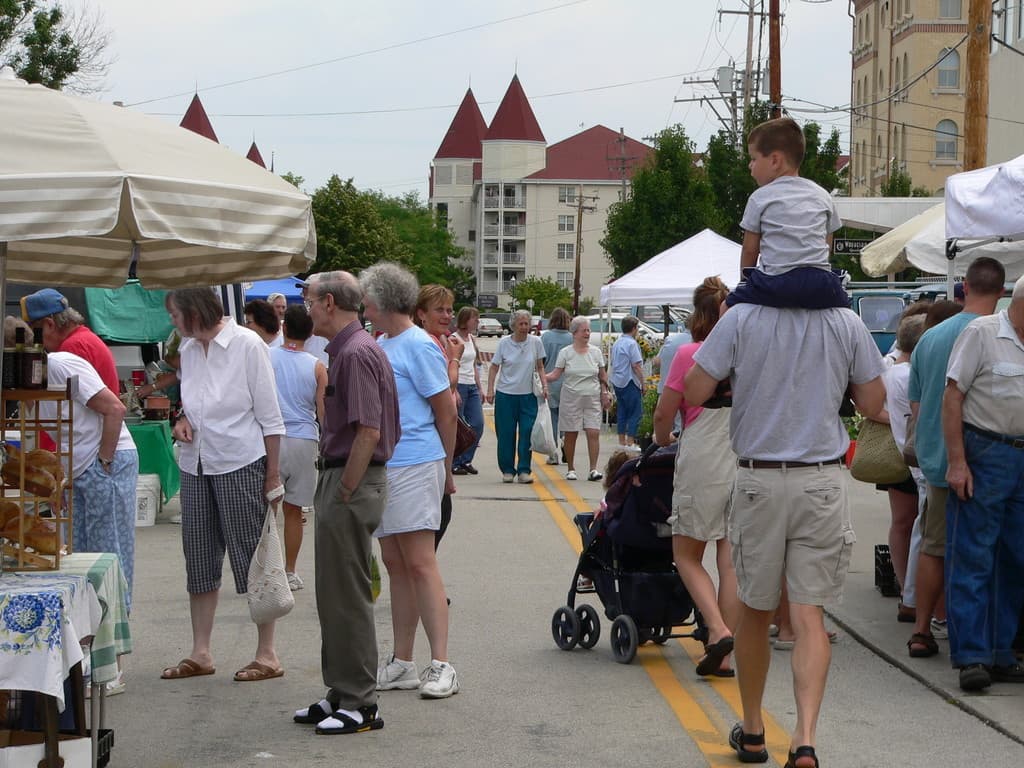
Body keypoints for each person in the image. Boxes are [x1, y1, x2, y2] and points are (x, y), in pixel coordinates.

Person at [683, 296, 885, 768]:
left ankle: (753, 731)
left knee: (756, 611)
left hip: (761, 478)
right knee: (809, 614)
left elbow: (694, 389)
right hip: (821, 478)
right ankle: (805, 738)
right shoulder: (844, 320)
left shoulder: (741, 317)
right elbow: (873, 402)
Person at [291, 271, 399, 735]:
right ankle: (341, 690)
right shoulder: (351, 349)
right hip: (343, 478)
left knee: (347, 595)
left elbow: (368, 431)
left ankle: (359, 701)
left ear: (329, 302)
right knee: (334, 593)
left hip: (349, 479)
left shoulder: (354, 353)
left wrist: (347, 489)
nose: (306, 308)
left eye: (309, 299)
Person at [160, 287, 286, 684]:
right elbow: (190, 399)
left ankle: (267, 652)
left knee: (253, 555)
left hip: (241, 460)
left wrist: (273, 475)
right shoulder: (191, 350)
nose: (173, 323)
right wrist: (179, 417)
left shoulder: (248, 345)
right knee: (197, 552)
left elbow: (270, 415)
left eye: (176, 315)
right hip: (196, 461)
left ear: (195, 312)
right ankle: (201, 650)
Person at [360, 263, 460, 700]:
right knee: (396, 563)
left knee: (420, 562)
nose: (363, 308)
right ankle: (402, 661)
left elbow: (446, 411)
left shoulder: (419, 345)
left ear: (382, 302)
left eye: (366, 301)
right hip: (387, 465)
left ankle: (442, 663)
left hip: (417, 462)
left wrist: (447, 470)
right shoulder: (382, 343)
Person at [905, 258, 1005, 662]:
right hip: (987, 458)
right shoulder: (1001, 334)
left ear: (963, 286)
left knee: (935, 546)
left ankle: (922, 628)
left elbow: (915, 404)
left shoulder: (930, 337)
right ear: (1002, 291)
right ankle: (984, 632)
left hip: (937, 459)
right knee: (989, 550)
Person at [652, 276, 739, 678]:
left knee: (686, 554)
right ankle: (725, 654)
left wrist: (660, 438)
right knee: (730, 559)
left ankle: (717, 629)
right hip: (741, 448)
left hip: (703, 450)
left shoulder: (690, 354)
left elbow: (664, 411)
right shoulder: (742, 352)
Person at [40, 349, 139, 695]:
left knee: (106, 560)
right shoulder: (35, 375)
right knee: (79, 561)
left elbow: (115, 408)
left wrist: (103, 463)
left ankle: (111, 667)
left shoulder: (61, 365)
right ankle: (88, 660)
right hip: (80, 467)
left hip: (101, 461)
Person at [942, 274, 1024, 692]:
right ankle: (972, 655)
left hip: (1020, 458)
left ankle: (1001, 652)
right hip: (987, 452)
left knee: (1015, 558)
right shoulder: (983, 332)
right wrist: (957, 461)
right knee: (974, 557)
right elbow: (952, 396)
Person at [726, 117, 846, 310]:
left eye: (754, 158)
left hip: (776, 281)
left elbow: (750, 249)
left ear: (775, 160)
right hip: (821, 283)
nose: (750, 165)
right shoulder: (823, 196)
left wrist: (744, 283)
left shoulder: (760, 197)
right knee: (845, 311)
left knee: (725, 307)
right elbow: (826, 245)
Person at [864, 315, 927, 622]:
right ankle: (908, 588)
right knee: (909, 523)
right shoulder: (899, 372)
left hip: (901, 452)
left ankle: (906, 587)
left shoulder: (887, 368)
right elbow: (871, 407)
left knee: (903, 522)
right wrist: (901, 419)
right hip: (905, 453)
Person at [270, 304, 327, 591]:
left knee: (267, 508)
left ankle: (266, 569)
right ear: (311, 332)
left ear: (283, 328)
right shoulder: (317, 366)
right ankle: (289, 571)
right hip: (305, 439)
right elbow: (322, 410)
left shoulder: (266, 357)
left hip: (271, 438)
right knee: (295, 511)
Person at [413, 284, 463, 548]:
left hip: (435, 441)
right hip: (430, 442)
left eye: (449, 310)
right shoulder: (427, 344)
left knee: (440, 517)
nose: (447, 316)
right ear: (421, 313)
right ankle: (424, 586)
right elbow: (446, 386)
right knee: (437, 517)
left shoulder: (439, 340)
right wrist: (455, 359)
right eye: (439, 310)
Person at [485, 309, 547, 483]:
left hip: (528, 395)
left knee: (527, 431)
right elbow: (494, 367)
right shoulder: (504, 343)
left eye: (527, 323)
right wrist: (490, 390)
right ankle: (507, 469)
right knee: (506, 433)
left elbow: (540, 366)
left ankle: (524, 470)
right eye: (520, 324)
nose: (524, 327)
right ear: (513, 325)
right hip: (506, 394)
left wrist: (544, 385)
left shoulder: (536, 342)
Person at [544, 315, 609, 481]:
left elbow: (602, 376)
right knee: (571, 432)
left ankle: (593, 469)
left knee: (593, 432)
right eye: (583, 330)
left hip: (592, 396)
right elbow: (556, 374)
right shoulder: (566, 353)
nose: (587, 333)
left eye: (588, 330)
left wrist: (605, 393)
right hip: (571, 397)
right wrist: (541, 377)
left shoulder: (596, 352)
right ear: (574, 333)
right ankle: (571, 468)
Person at [21, 288, 119, 393]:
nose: (39, 344)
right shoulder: (83, 338)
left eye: (36, 334)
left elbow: (69, 402)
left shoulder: (72, 347)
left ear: (49, 325)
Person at [451, 306, 485, 476]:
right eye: (475, 318)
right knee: (460, 425)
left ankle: (466, 459)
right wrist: (453, 390)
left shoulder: (471, 338)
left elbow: (474, 364)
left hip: (471, 384)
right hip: (459, 385)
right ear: (465, 320)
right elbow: (450, 364)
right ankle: (455, 461)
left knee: (477, 424)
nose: (477, 321)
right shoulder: (453, 339)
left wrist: (479, 387)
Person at [540, 308, 572, 465]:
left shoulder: (546, 337)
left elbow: (541, 360)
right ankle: (566, 442)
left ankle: (553, 453)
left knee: (551, 418)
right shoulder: (571, 338)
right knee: (565, 417)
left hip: (550, 380)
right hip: (568, 381)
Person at [609, 316, 644, 451]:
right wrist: (643, 382)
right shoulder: (632, 344)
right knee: (635, 411)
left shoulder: (618, 342)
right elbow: (636, 365)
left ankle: (621, 440)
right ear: (634, 328)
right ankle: (630, 441)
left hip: (618, 380)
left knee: (622, 410)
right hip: (629, 380)